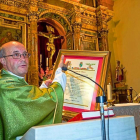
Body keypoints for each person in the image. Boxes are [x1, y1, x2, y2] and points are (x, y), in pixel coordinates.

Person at [0, 41, 67, 140]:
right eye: (16, 55)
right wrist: (60, 73)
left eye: (25, 54)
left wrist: (43, 88)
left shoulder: (12, 80)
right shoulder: (5, 86)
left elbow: (25, 109)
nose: (23, 59)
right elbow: (52, 98)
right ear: (3, 61)